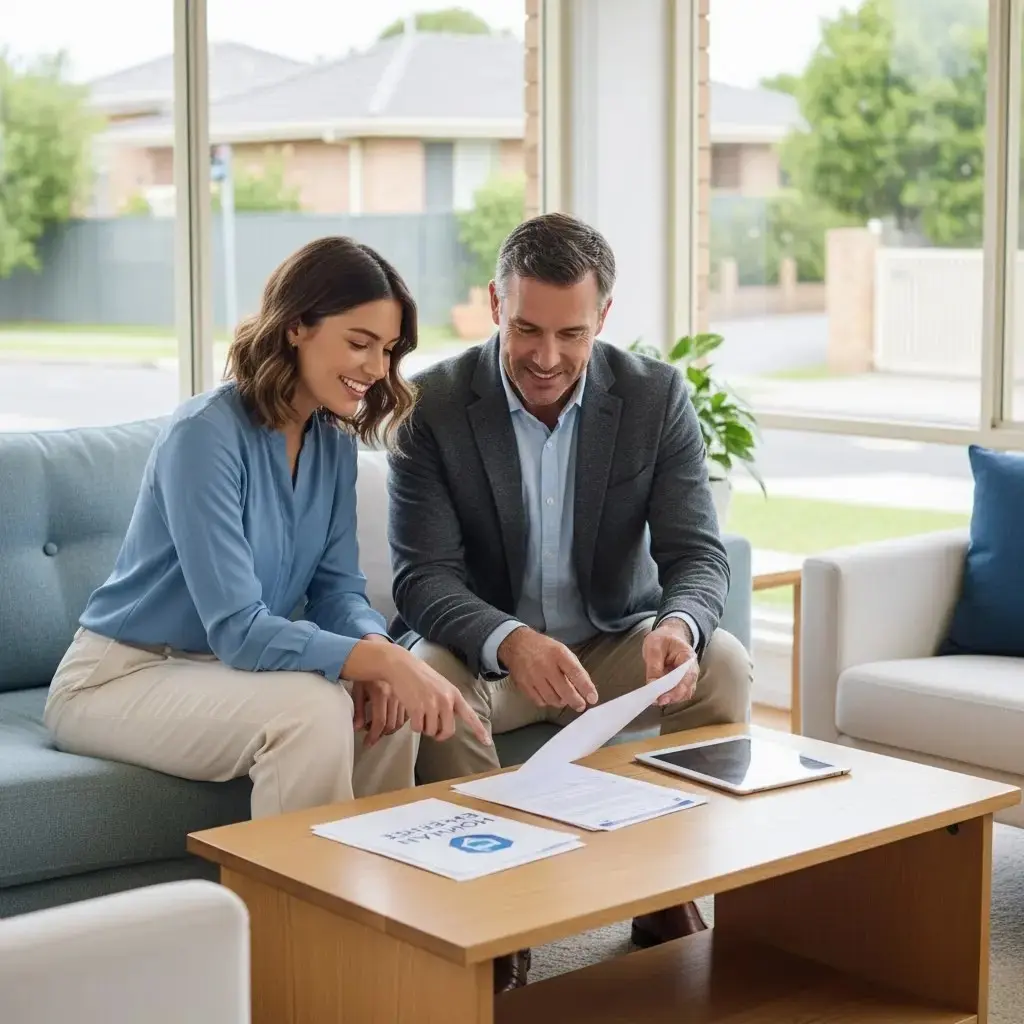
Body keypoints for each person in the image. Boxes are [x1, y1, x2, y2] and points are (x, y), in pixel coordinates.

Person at [387, 213, 753, 990]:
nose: (545, 358)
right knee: (434, 677)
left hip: (610, 643)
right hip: (495, 660)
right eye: (526, 329)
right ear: (495, 303)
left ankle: (666, 890)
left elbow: (695, 554)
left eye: (571, 334)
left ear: (604, 319)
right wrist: (511, 640)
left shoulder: (656, 398)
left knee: (721, 664)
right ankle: (492, 918)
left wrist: (679, 625)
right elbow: (422, 578)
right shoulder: (435, 407)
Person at [44, 236, 489, 821]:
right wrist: (381, 662)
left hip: (224, 675)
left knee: (387, 705)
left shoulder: (332, 446)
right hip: (119, 677)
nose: (376, 370)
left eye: (387, 350)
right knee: (311, 708)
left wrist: (377, 651)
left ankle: (382, 900)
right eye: (359, 343)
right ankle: (303, 910)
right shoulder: (203, 435)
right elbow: (237, 628)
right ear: (296, 326)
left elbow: (337, 592)